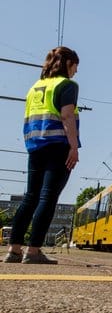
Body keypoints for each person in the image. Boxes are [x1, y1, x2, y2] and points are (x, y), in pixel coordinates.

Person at [2, 46, 80, 264]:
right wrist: (73, 147)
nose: (76, 71)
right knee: (48, 197)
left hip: (35, 146)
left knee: (30, 197)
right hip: (57, 145)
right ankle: (33, 251)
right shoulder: (67, 85)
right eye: (75, 66)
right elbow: (66, 116)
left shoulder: (35, 87)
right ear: (67, 64)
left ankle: (13, 250)